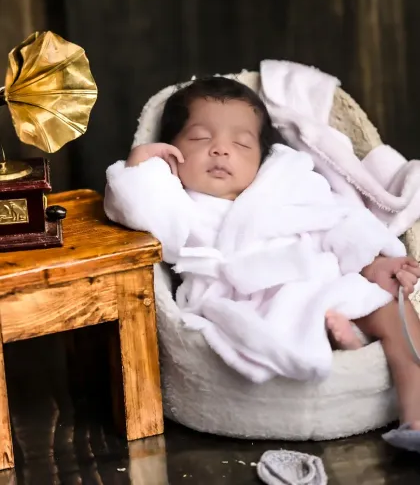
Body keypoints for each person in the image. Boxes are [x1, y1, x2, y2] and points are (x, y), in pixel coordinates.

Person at [105, 77, 420, 451]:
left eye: (241, 143)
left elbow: (337, 221)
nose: (221, 149)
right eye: (200, 138)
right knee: (266, 327)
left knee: (389, 307)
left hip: (315, 277)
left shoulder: (288, 183)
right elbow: (140, 213)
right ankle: (334, 336)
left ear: (263, 156)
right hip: (238, 294)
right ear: (172, 150)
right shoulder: (176, 199)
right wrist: (141, 167)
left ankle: (414, 410)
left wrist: (373, 262)